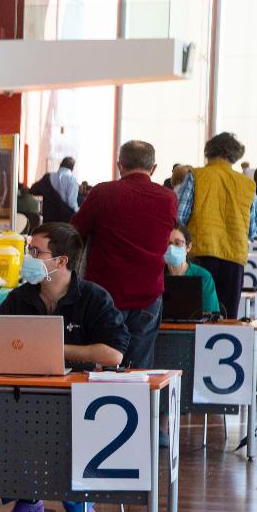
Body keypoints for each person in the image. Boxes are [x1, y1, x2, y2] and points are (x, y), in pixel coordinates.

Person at [0, 222, 128, 512]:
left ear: (61, 261)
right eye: (29, 250)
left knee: (60, 433)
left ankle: (78, 506)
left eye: (37, 252)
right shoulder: (20, 298)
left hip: (79, 399)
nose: (29, 257)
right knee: (5, 422)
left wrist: (58, 349)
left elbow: (114, 354)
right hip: (24, 396)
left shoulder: (93, 298)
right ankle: (28, 498)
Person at [73, 140, 177, 367]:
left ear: (120, 164)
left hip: (104, 295)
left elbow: (74, 233)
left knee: (99, 366)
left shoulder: (102, 192)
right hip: (148, 297)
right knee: (137, 371)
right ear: (154, 168)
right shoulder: (169, 198)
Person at [176, 132, 257, 317]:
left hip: (201, 254)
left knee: (198, 312)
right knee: (228, 317)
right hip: (234, 257)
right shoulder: (248, 185)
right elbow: (253, 230)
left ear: (209, 151)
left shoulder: (195, 176)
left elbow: (179, 217)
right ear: (235, 155)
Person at [166, 224, 221, 315]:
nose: (171, 248)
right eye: (168, 243)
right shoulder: (156, 275)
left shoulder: (203, 276)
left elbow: (212, 315)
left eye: (177, 243)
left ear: (188, 247)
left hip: (194, 328)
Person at [30, 156, 80, 223]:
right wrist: (78, 212)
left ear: (60, 164)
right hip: (63, 219)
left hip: (48, 217)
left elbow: (33, 190)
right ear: (72, 168)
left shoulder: (47, 176)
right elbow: (71, 202)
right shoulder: (72, 180)